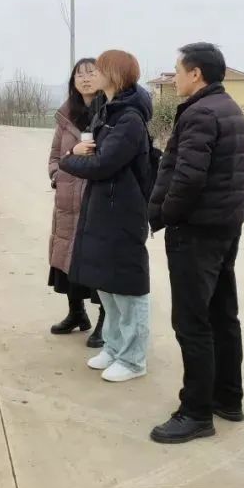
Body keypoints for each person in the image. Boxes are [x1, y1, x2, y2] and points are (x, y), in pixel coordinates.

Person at [148, 42, 244, 444]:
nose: (174, 78)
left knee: (192, 322)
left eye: (177, 71)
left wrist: (166, 214)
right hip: (224, 228)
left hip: (197, 232)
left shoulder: (201, 113)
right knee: (222, 314)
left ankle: (195, 412)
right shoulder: (228, 108)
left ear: (196, 74)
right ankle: (228, 397)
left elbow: (188, 178)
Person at [58, 50, 153, 383]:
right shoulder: (107, 112)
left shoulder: (129, 120)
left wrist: (68, 159)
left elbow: (102, 164)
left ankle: (133, 359)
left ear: (115, 75)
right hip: (102, 209)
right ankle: (113, 348)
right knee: (108, 287)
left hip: (123, 213)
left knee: (128, 289)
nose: (92, 74)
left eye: (98, 69)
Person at [47, 58, 105, 347]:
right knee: (68, 259)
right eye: (79, 74)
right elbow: (55, 157)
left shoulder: (109, 112)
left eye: (91, 72)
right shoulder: (66, 115)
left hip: (96, 199)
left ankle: (106, 320)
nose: (85, 78)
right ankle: (77, 313)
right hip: (67, 200)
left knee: (99, 261)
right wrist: (58, 176)